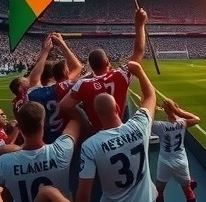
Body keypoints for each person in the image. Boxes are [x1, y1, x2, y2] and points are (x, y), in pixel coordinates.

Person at [75, 61, 158, 202]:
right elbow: (150, 97)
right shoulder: (139, 126)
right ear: (118, 108)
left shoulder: (90, 145)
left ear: (96, 115)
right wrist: (139, 71)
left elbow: (84, 193)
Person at [0, 101, 80, 202]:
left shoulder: (4, 162)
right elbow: (75, 123)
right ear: (43, 123)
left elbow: (0, 194)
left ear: (18, 127)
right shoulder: (61, 151)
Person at [59, 8, 148, 136]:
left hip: (97, 134)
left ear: (91, 66)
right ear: (107, 62)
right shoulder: (120, 75)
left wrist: (83, 120)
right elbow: (139, 51)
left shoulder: (83, 84)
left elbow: (64, 105)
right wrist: (140, 25)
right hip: (120, 130)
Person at [151, 99, 201, 202]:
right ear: (176, 109)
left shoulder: (160, 126)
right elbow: (197, 119)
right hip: (181, 162)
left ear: (165, 111)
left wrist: (153, 109)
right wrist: (178, 111)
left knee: (159, 190)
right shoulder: (183, 123)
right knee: (188, 191)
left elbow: (147, 121)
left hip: (165, 162)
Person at [28, 32, 83, 144]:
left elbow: (33, 79)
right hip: (66, 138)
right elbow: (77, 67)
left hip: (45, 140)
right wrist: (62, 43)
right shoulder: (63, 87)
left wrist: (45, 51)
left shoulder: (35, 93)